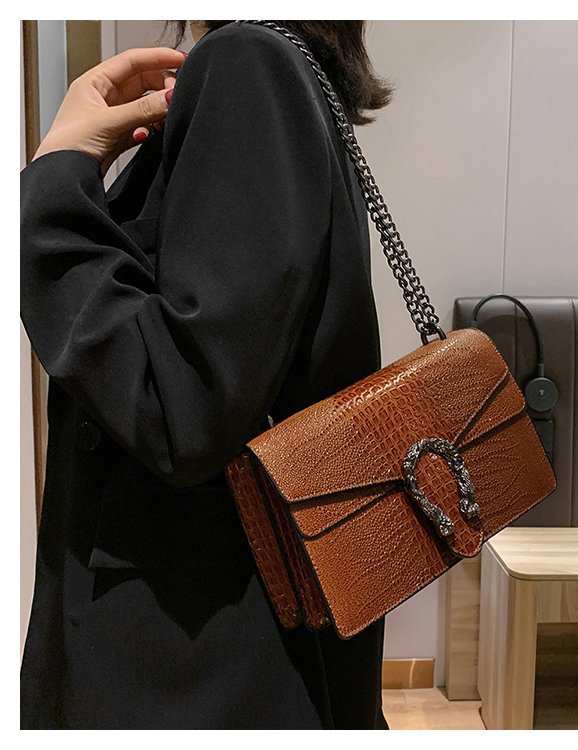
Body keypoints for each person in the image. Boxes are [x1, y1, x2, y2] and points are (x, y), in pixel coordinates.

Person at [20, 19, 391, 730]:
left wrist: (57, 178)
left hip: (188, 669)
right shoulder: (287, 69)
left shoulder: (248, 61)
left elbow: (180, 403)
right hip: (230, 651)